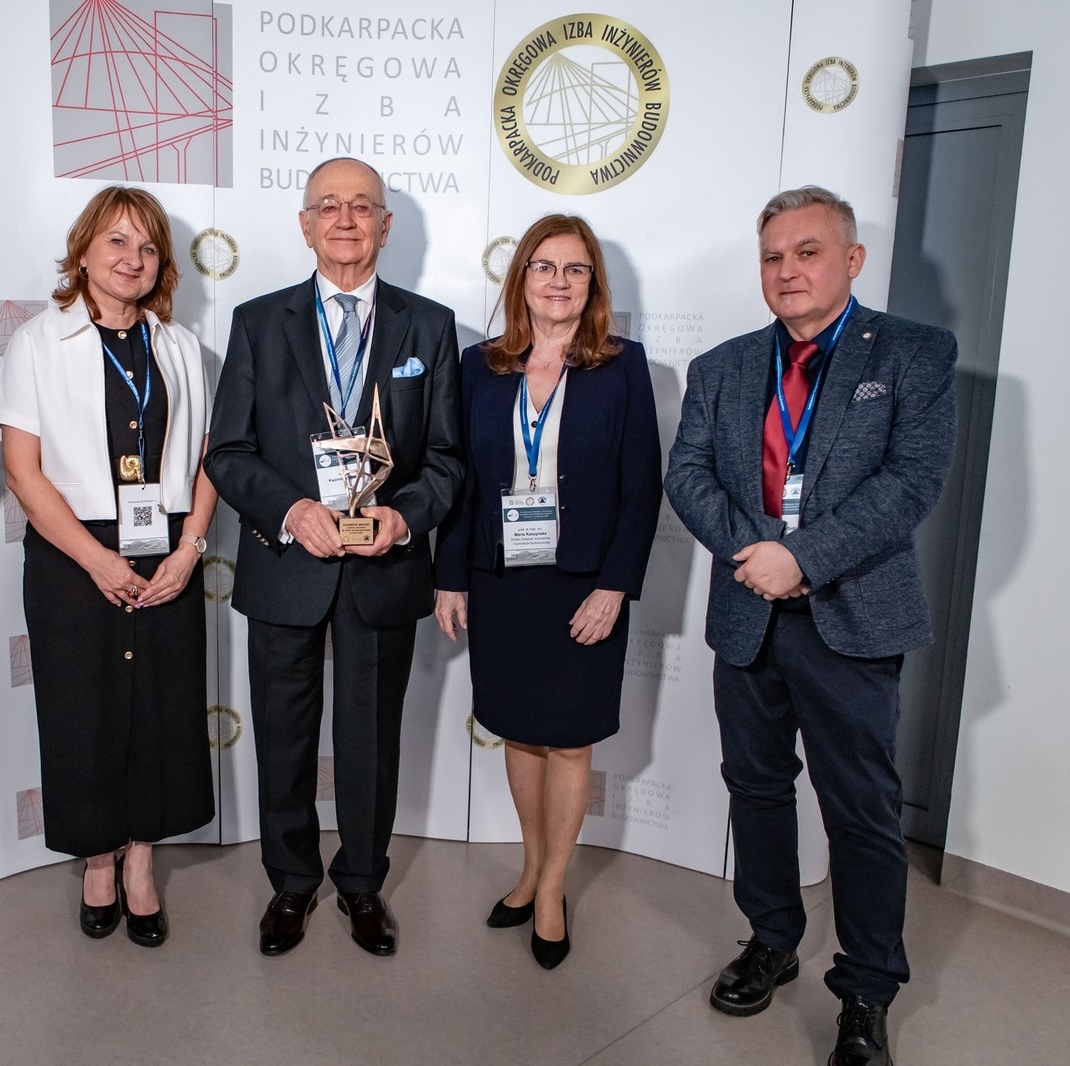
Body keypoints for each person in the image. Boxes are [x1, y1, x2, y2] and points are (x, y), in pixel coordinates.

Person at [663, 186, 956, 1066]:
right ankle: (771, 938)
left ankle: (866, 991)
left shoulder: (912, 354)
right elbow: (688, 474)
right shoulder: (721, 367)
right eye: (772, 256)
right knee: (755, 788)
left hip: (853, 616)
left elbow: (910, 482)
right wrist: (754, 552)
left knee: (860, 812)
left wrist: (803, 557)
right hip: (748, 612)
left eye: (808, 252)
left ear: (852, 260)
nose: (787, 271)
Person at [205, 157, 463, 958]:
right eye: (329, 206)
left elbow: (448, 458)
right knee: (283, 736)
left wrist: (403, 516)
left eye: (361, 206)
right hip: (288, 561)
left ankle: (361, 883)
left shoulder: (430, 326)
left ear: (386, 225)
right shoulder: (257, 322)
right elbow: (228, 452)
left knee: (370, 740)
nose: (345, 219)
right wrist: (291, 510)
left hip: (383, 568)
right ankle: (291, 881)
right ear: (305, 224)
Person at [0, 186, 217, 949]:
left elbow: (210, 462)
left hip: (167, 552)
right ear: (83, 251)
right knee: (81, 713)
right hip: (71, 556)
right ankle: (96, 862)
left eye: (148, 247)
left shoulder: (179, 347)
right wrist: (95, 560)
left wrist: (190, 549)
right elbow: (22, 471)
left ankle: (141, 862)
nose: (132, 258)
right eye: (117, 241)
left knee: (160, 712)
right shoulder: (37, 342)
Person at [433, 214, 661, 970]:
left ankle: (555, 888)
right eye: (544, 266)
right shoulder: (480, 366)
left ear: (593, 284)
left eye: (575, 268)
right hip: (502, 583)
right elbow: (459, 482)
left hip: (582, 585)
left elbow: (641, 487)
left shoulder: (622, 366)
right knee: (520, 732)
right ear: (521, 278)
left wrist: (615, 587)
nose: (558, 281)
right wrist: (450, 575)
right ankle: (530, 869)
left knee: (569, 739)